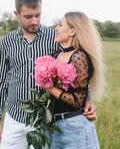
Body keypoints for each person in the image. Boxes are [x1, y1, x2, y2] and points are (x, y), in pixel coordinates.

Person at [0, 0, 97, 149]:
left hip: (44, 118)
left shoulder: (55, 38)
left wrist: (87, 100)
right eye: (28, 16)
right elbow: (0, 81)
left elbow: (77, 71)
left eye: (38, 15)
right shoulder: (7, 42)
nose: (34, 21)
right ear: (16, 14)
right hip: (14, 116)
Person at [45, 11, 106, 149]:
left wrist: (49, 87)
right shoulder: (56, 55)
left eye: (60, 25)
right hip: (55, 127)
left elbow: (78, 100)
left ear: (72, 31)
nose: (56, 28)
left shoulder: (79, 57)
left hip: (74, 126)